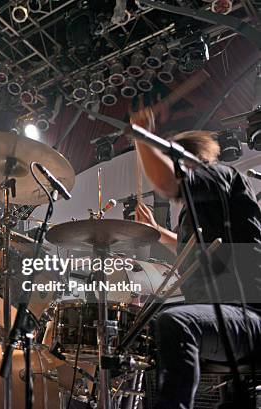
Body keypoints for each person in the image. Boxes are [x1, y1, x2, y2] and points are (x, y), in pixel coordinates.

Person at [130, 106, 261, 409]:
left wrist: (142, 137)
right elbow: (190, 246)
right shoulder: (202, 209)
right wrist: (156, 231)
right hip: (224, 315)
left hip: (248, 316)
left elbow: (166, 184)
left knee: (177, 323)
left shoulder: (219, 175)